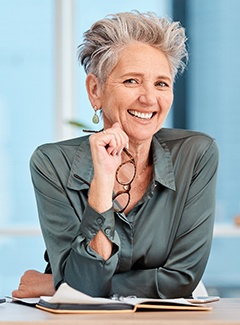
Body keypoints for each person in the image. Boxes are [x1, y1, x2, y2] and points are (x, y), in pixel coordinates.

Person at [12, 11, 218, 299]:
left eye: (161, 83)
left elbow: (182, 278)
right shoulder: (52, 164)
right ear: (95, 90)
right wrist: (103, 182)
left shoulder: (196, 154)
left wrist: (57, 284)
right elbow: (86, 281)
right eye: (132, 81)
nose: (149, 98)